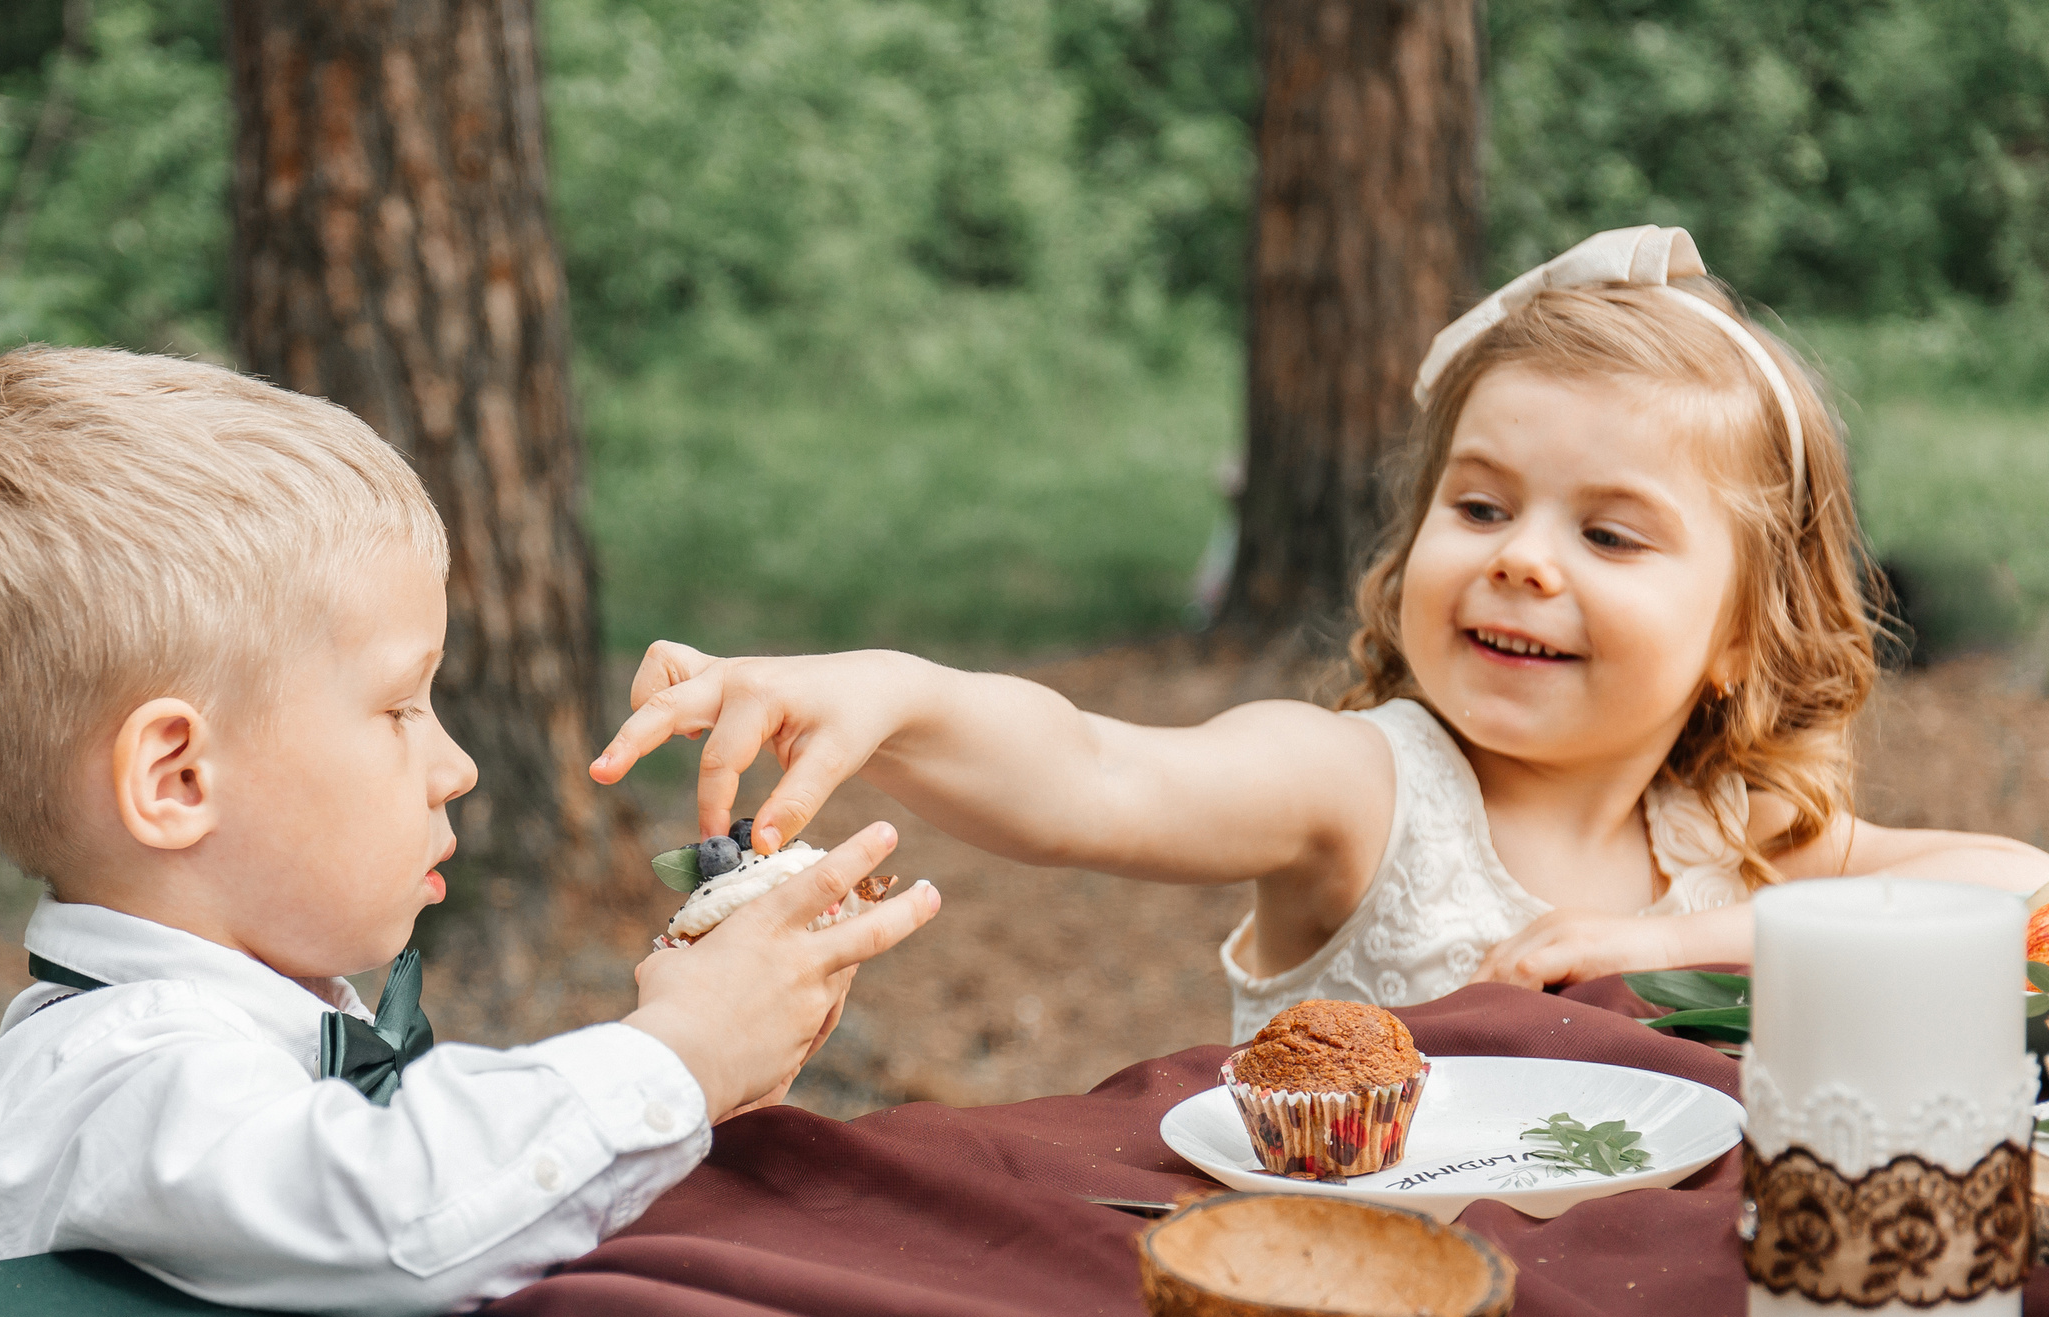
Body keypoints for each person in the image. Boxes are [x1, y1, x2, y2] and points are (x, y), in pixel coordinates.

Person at [588, 227, 2049, 1043]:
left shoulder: (1733, 829)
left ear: (1740, 632)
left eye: (1608, 534)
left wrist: (1693, 938)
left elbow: (2019, 883)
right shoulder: (1365, 788)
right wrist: (901, 695)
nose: (1524, 563)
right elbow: (1095, 773)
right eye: (1480, 507)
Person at [0, 346, 938, 1317]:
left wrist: (728, 1074)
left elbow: (474, 1224)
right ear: (178, 777)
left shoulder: (273, 1007)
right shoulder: (112, 1076)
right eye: (399, 709)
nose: (456, 765)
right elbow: (393, 1210)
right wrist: (674, 1057)